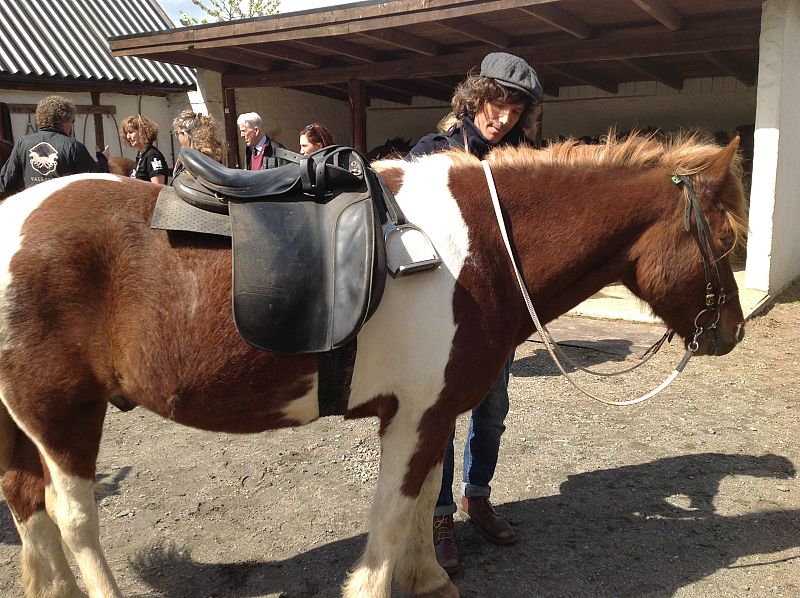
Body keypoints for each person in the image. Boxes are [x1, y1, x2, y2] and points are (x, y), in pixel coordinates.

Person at [407, 51, 543, 574]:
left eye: (513, 109)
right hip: (441, 313)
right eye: (494, 102)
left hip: (498, 315)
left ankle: (476, 495)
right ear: (475, 97)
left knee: (492, 411)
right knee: (441, 416)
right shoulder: (434, 150)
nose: (501, 116)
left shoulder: (524, 160)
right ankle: (440, 514)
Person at [0, 95, 109, 198]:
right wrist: (103, 159)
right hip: (63, 209)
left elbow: (5, 183)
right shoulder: (73, 146)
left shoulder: (22, 143)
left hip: (33, 209)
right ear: (65, 121)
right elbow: (97, 183)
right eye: (72, 121)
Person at [171, 109, 224, 179]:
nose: (177, 137)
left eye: (178, 133)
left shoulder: (195, 160)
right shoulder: (209, 155)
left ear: (185, 134)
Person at [120, 114, 169, 184]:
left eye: (131, 132)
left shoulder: (153, 156)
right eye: (126, 133)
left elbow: (158, 187)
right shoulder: (141, 155)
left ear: (142, 132)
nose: (128, 136)